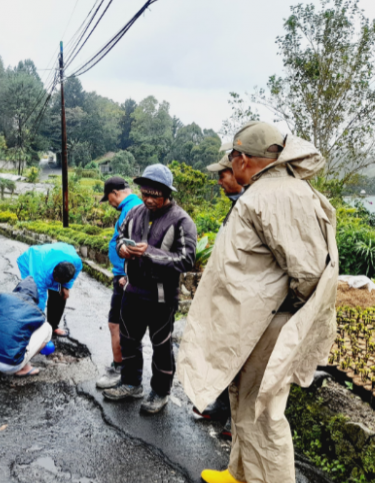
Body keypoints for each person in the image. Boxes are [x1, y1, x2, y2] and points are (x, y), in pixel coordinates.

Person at [177, 121, 339, 483]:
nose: (229, 166)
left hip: (270, 322)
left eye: (231, 157)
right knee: (243, 400)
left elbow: (310, 273)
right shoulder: (269, 190)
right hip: (254, 322)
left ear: (243, 159)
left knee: (263, 412)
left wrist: (280, 315)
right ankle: (241, 473)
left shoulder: (279, 195)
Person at [102, 164, 197, 414]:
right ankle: (131, 383)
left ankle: (161, 391)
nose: (148, 199)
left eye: (154, 194)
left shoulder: (182, 221)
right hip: (132, 291)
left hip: (162, 296)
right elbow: (121, 237)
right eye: (145, 192)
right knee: (129, 340)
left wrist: (151, 253)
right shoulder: (135, 213)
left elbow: (187, 259)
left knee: (161, 344)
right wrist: (124, 249)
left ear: (166, 193)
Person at [190, 149, 245, 435]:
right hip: (227, 296)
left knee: (240, 359)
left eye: (222, 175)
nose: (220, 181)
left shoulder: (252, 205)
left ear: (239, 171)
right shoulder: (237, 205)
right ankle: (223, 407)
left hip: (244, 300)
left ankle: (238, 422)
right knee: (225, 353)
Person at [95, 177, 143, 390]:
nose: (110, 204)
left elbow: (137, 246)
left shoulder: (132, 209)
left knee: (119, 325)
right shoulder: (131, 208)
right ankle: (123, 369)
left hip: (126, 277)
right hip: (124, 275)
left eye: (110, 199)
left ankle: (121, 370)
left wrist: (128, 275)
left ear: (114, 193)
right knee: (120, 324)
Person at [0, 277, 53, 377]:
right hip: (11, 365)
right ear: (35, 295)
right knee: (47, 327)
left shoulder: (3, 297)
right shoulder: (36, 311)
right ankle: (24, 367)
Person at [17, 243, 83, 337]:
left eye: (60, 282)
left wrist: (66, 287)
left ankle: (53, 327)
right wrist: (39, 325)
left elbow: (75, 273)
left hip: (58, 255)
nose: (56, 284)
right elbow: (39, 298)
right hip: (30, 261)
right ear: (54, 273)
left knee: (59, 295)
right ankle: (27, 324)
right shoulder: (40, 273)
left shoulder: (76, 262)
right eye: (57, 281)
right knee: (31, 293)